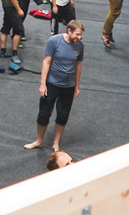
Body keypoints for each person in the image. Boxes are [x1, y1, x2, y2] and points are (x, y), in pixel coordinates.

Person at [24, 20, 85, 152]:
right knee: (44, 114)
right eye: (77, 34)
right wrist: (42, 84)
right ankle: (39, 141)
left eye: (80, 35)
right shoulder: (54, 41)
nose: (79, 38)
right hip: (52, 84)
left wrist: (77, 85)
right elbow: (46, 61)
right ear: (69, 31)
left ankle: (56, 143)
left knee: (63, 115)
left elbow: (78, 65)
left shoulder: (79, 45)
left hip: (68, 86)